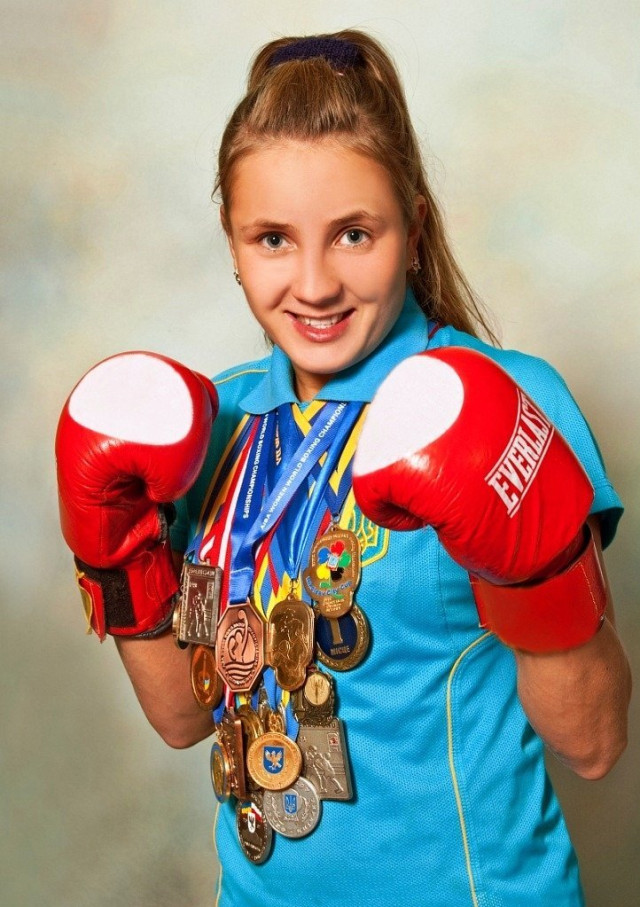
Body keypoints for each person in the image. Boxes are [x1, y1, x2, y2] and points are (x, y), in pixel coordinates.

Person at [56, 30, 632, 907]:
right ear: (232, 243)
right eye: (273, 239)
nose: (315, 284)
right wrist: (114, 551)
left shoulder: (508, 398)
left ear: (414, 230)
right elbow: (183, 716)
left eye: (354, 234)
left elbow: (594, 742)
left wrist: (539, 563)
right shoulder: (212, 424)